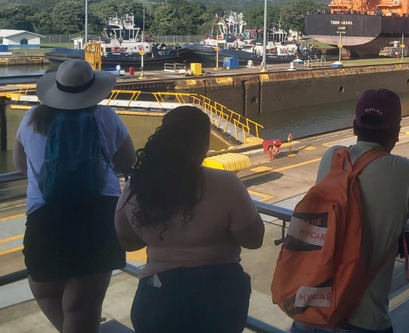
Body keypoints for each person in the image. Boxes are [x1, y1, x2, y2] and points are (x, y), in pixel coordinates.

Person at [291, 88, 409, 333]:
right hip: (363, 323)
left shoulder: (332, 157)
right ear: (396, 132)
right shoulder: (405, 172)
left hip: (310, 310)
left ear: (354, 127)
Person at [13, 59, 137, 333]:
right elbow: (127, 162)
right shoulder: (106, 117)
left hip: (45, 217)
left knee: (46, 292)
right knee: (84, 305)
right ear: (92, 90)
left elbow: (21, 166)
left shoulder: (31, 118)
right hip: (98, 217)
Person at [115, 106, 264, 333]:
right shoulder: (226, 184)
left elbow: (128, 242)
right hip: (218, 301)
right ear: (203, 144)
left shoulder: (136, 187)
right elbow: (254, 239)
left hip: (157, 299)